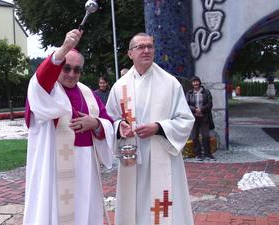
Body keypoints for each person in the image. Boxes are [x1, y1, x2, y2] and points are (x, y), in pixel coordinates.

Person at [23, 29, 114, 225]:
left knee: (85, 210)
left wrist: (95, 123)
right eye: (66, 68)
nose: (71, 74)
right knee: (57, 211)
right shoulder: (48, 90)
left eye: (77, 69)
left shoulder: (88, 93)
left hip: (86, 164)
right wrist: (65, 48)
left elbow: (108, 123)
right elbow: (41, 78)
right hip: (55, 165)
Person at [106, 33, 195, 225]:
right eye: (140, 47)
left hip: (161, 153)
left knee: (163, 206)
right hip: (132, 157)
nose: (146, 50)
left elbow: (186, 119)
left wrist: (159, 127)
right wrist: (119, 126)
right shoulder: (119, 86)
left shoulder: (170, 83)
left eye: (150, 46)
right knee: (134, 205)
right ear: (130, 53)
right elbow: (109, 120)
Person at [186, 76, 215, 161]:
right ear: (191, 83)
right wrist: (195, 109)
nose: (195, 83)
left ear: (199, 82)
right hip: (194, 117)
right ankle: (198, 154)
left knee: (206, 136)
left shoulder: (206, 92)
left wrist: (201, 109)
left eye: (197, 81)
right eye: (193, 82)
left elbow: (210, 103)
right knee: (195, 136)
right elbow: (186, 104)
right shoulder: (189, 93)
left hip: (204, 116)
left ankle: (208, 154)